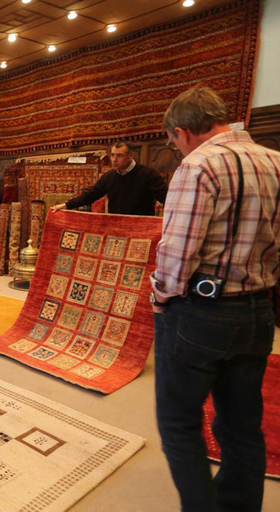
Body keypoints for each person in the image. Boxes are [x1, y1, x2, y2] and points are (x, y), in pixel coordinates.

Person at [150, 85, 280, 511]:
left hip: (200, 312)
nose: (176, 148)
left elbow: (177, 251)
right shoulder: (275, 161)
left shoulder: (200, 165)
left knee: (178, 422)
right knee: (242, 426)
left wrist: (161, 296)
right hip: (259, 309)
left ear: (183, 131)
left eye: (173, 141)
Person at [50, 140, 168, 215]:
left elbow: (167, 199)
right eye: (112, 155)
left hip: (140, 230)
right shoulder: (109, 177)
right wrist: (66, 205)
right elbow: (91, 195)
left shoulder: (148, 175)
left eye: (119, 156)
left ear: (131, 156)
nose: (114, 159)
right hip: (116, 227)